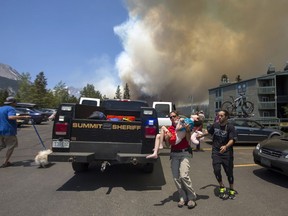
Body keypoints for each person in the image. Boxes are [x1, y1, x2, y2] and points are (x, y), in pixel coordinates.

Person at [197, 110, 237, 199]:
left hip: (227, 153)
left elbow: (232, 140)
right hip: (216, 152)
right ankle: (222, 186)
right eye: (218, 116)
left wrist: (226, 146)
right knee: (216, 170)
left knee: (229, 173)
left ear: (226, 117)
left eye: (222, 116)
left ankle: (231, 189)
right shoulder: (215, 125)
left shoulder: (230, 127)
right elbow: (209, 132)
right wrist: (201, 136)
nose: (219, 117)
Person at [166, 111, 197, 209]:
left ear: (178, 117)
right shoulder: (170, 129)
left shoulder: (184, 124)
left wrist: (187, 130)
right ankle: (182, 197)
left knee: (184, 175)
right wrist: (167, 138)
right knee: (176, 177)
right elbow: (168, 145)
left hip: (184, 153)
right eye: (170, 117)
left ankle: (191, 198)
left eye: (174, 116)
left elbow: (188, 140)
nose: (172, 118)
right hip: (174, 154)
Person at [0, 97, 30, 168]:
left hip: (0, 130)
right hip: (8, 130)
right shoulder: (11, 108)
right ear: (12, 102)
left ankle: (6, 161)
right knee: (11, 146)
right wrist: (24, 117)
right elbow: (10, 117)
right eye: (15, 102)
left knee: (1, 146)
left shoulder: (1, 108)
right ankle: (5, 162)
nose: (16, 103)